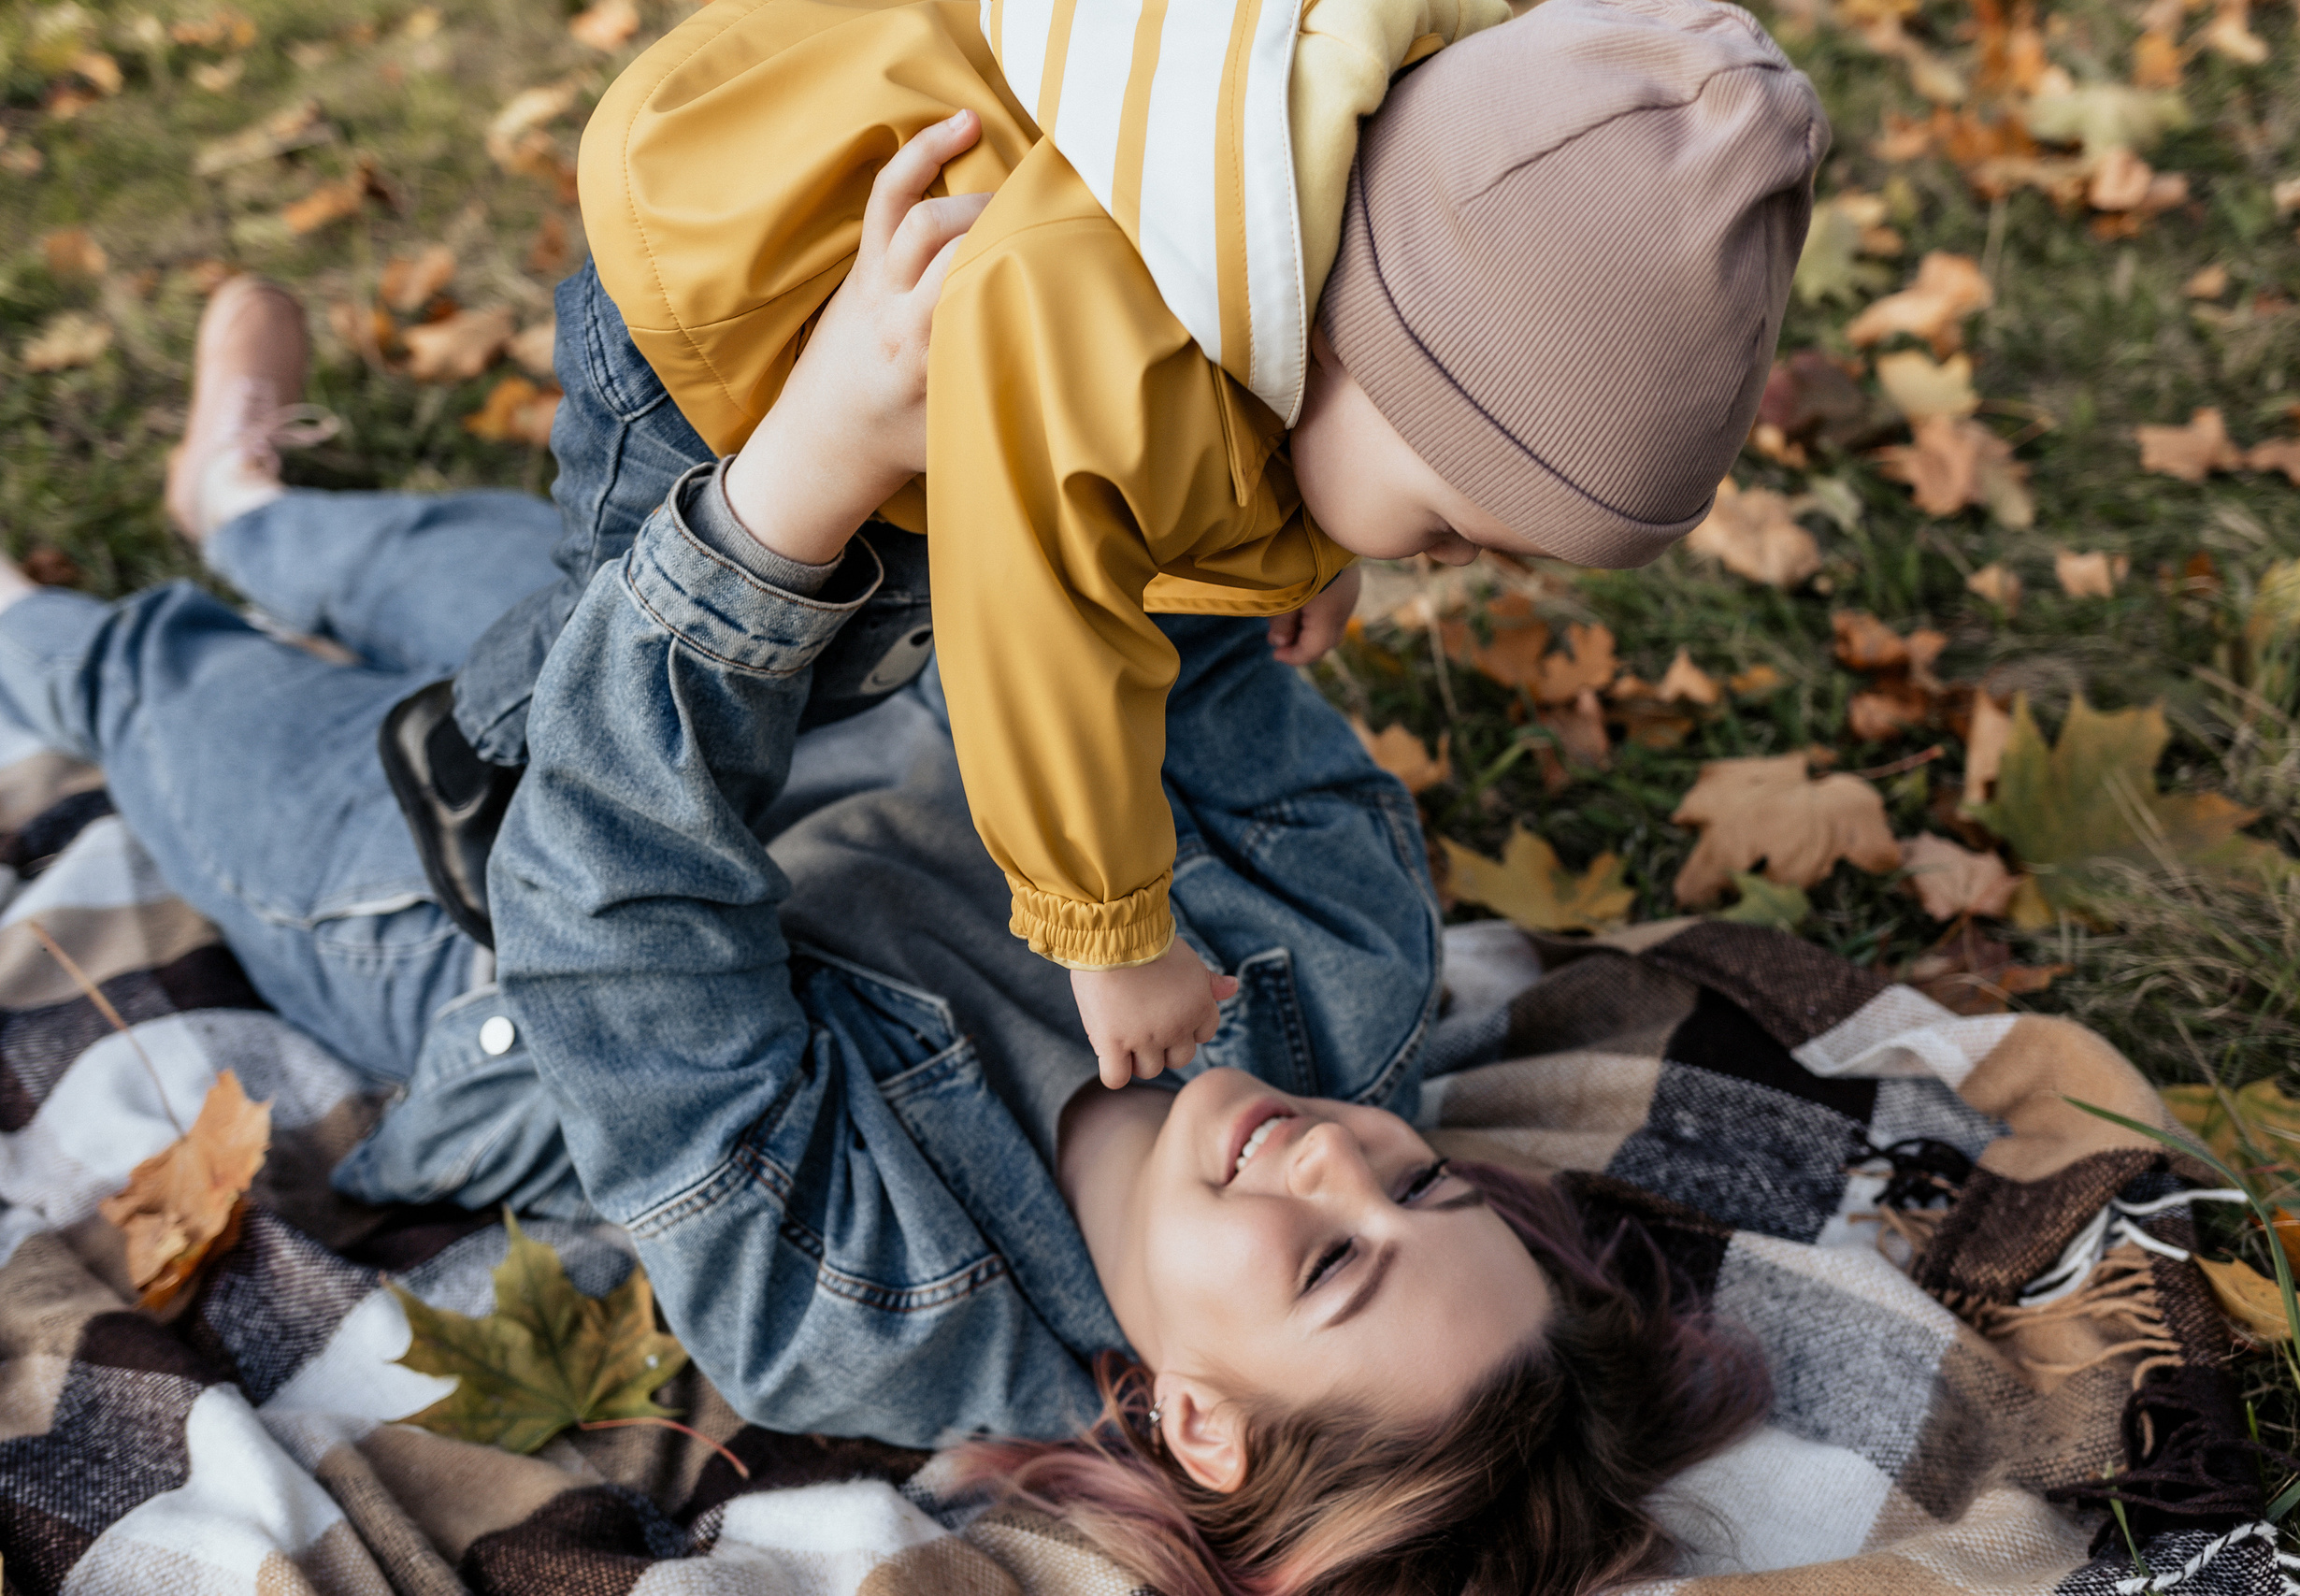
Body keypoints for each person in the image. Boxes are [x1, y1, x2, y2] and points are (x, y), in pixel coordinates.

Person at [0, 272, 1770, 1592]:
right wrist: (1262, 527)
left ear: (1204, 1422)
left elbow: (605, 893)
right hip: (834, 681)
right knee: (429, 565)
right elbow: (1173, 634)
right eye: (1424, 1185)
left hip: (458, 897)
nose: (1338, 1163)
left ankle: (45, 611)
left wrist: (796, 493)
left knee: (163, 681)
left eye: (1328, 1265)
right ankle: (246, 503)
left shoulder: (873, 1299)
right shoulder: (1340, 952)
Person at [392, 0, 1828, 1092]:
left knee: (842, 632)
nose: (1448, 564)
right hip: (725, 288)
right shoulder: (1110, 329)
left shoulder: (1400, 206)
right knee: (667, 610)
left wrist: (1332, 546)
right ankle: (479, 750)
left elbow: (1328, 413)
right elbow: (1043, 619)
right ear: (1360, 339)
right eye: (1449, 525)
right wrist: (1111, 929)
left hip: (935, 354)